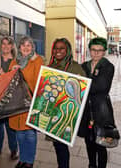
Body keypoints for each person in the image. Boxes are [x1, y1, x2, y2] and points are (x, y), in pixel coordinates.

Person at [48, 38, 85, 168]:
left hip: (66, 112)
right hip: (53, 112)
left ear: (67, 50)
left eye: (61, 48)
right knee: (57, 145)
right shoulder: (51, 66)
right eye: (56, 48)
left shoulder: (75, 67)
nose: (58, 51)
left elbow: (82, 90)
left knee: (61, 145)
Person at [78, 37, 115, 168]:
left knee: (101, 142)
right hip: (87, 110)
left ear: (104, 51)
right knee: (89, 141)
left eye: (99, 50)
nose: (96, 53)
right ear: (90, 50)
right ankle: (91, 164)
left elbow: (102, 87)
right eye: (93, 50)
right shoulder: (84, 66)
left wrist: (82, 84)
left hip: (101, 111)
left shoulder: (108, 67)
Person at [9, 36, 44, 168]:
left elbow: (39, 81)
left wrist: (21, 73)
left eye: (29, 45)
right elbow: (9, 81)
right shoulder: (14, 61)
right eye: (23, 45)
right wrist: (13, 72)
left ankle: (29, 161)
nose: (26, 47)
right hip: (16, 105)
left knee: (29, 134)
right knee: (19, 134)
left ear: (32, 47)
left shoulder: (37, 60)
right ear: (19, 47)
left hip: (30, 102)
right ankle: (22, 159)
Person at [0, 36, 18, 160]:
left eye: (8, 44)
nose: (5, 46)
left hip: (11, 98)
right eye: (3, 44)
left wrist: (1, 71)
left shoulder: (16, 61)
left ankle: (13, 150)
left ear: (12, 46)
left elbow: (13, 80)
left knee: (11, 126)